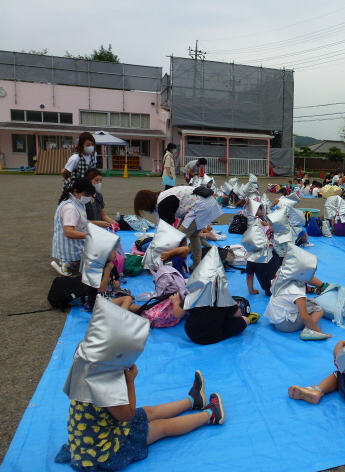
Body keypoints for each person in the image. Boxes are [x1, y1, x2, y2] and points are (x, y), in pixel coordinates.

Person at [56, 297, 225, 471]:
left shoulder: (86, 358)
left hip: (98, 431)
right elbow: (127, 416)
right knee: (161, 427)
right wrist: (130, 382)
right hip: (102, 453)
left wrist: (123, 307)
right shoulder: (104, 383)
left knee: (150, 411)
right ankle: (211, 415)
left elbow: (103, 322)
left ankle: (193, 401)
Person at [134, 186, 223, 270]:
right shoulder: (163, 197)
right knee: (194, 235)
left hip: (201, 206)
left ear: (147, 203)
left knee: (179, 240)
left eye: (145, 209)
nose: (147, 212)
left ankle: (179, 267)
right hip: (207, 202)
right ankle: (197, 264)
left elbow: (167, 231)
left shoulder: (163, 204)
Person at [183, 247, 259, 345]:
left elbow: (178, 313)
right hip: (214, 335)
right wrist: (237, 308)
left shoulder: (193, 294)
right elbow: (238, 314)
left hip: (193, 335)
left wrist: (176, 301)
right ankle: (248, 319)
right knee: (243, 320)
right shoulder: (223, 297)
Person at [264, 245, 332, 340]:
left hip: (275, 316)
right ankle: (308, 331)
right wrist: (319, 331)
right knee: (318, 308)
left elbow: (308, 278)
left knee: (308, 302)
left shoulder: (283, 273)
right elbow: (304, 316)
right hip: (285, 324)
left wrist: (322, 285)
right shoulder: (297, 291)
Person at [51, 178, 96, 276]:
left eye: (89, 196)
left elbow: (80, 222)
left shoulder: (77, 202)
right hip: (69, 245)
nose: (88, 198)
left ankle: (69, 262)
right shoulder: (70, 208)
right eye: (86, 195)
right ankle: (67, 262)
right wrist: (90, 236)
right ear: (76, 192)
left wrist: (98, 223)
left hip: (75, 242)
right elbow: (69, 232)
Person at [242, 219, 281, 296]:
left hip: (269, 290)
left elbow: (249, 276)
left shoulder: (252, 259)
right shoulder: (273, 250)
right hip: (282, 286)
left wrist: (251, 290)